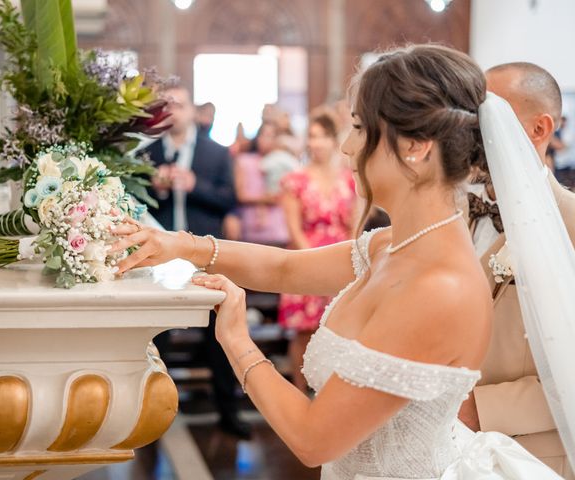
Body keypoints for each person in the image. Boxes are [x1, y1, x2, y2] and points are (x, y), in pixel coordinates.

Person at [113, 45, 563, 479]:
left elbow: (312, 441)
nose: (348, 148)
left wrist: (235, 338)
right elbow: (284, 269)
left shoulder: (437, 286)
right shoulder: (392, 245)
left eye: (361, 128)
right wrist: (179, 245)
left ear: (416, 147)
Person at [458, 62, 575, 478]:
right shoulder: (448, 214)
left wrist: (479, 408)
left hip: (535, 458)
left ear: (540, 129)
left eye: (486, 117)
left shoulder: (572, 224)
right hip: (443, 450)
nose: (470, 134)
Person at [136, 86, 250, 438]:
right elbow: (135, 206)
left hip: (207, 254)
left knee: (218, 337)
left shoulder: (216, 153)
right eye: (166, 105)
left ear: (191, 112)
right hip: (158, 261)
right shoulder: (148, 153)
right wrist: (157, 190)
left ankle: (228, 413)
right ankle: (154, 419)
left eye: (179, 105)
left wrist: (194, 184)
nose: (173, 111)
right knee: (159, 337)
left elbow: (228, 200)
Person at [277, 113, 358, 391]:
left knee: (339, 332)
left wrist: (350, 260)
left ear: (334, 141)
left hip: (342, 259)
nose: (317, 142)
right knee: (304, 333)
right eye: (312, 136)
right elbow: (294, 229)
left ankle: (332, 397)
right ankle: (300, 394)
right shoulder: (294, 180)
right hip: (306, 258)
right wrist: (315, 264)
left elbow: (355, 226)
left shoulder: (349, 180)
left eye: (322, 136)